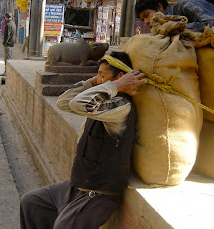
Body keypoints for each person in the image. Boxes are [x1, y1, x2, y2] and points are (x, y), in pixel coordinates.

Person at [20, 52, 148, 229]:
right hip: (79, 186)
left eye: (103, 75)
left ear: (120, 77)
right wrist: (93, 82)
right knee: (32, 202)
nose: (99, 79)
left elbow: (77, 104)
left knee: (64, 226)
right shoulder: (103, 98)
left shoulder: (121, 106)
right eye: (98, 74)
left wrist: (115, 85)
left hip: (100, 194)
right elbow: (63, 102)